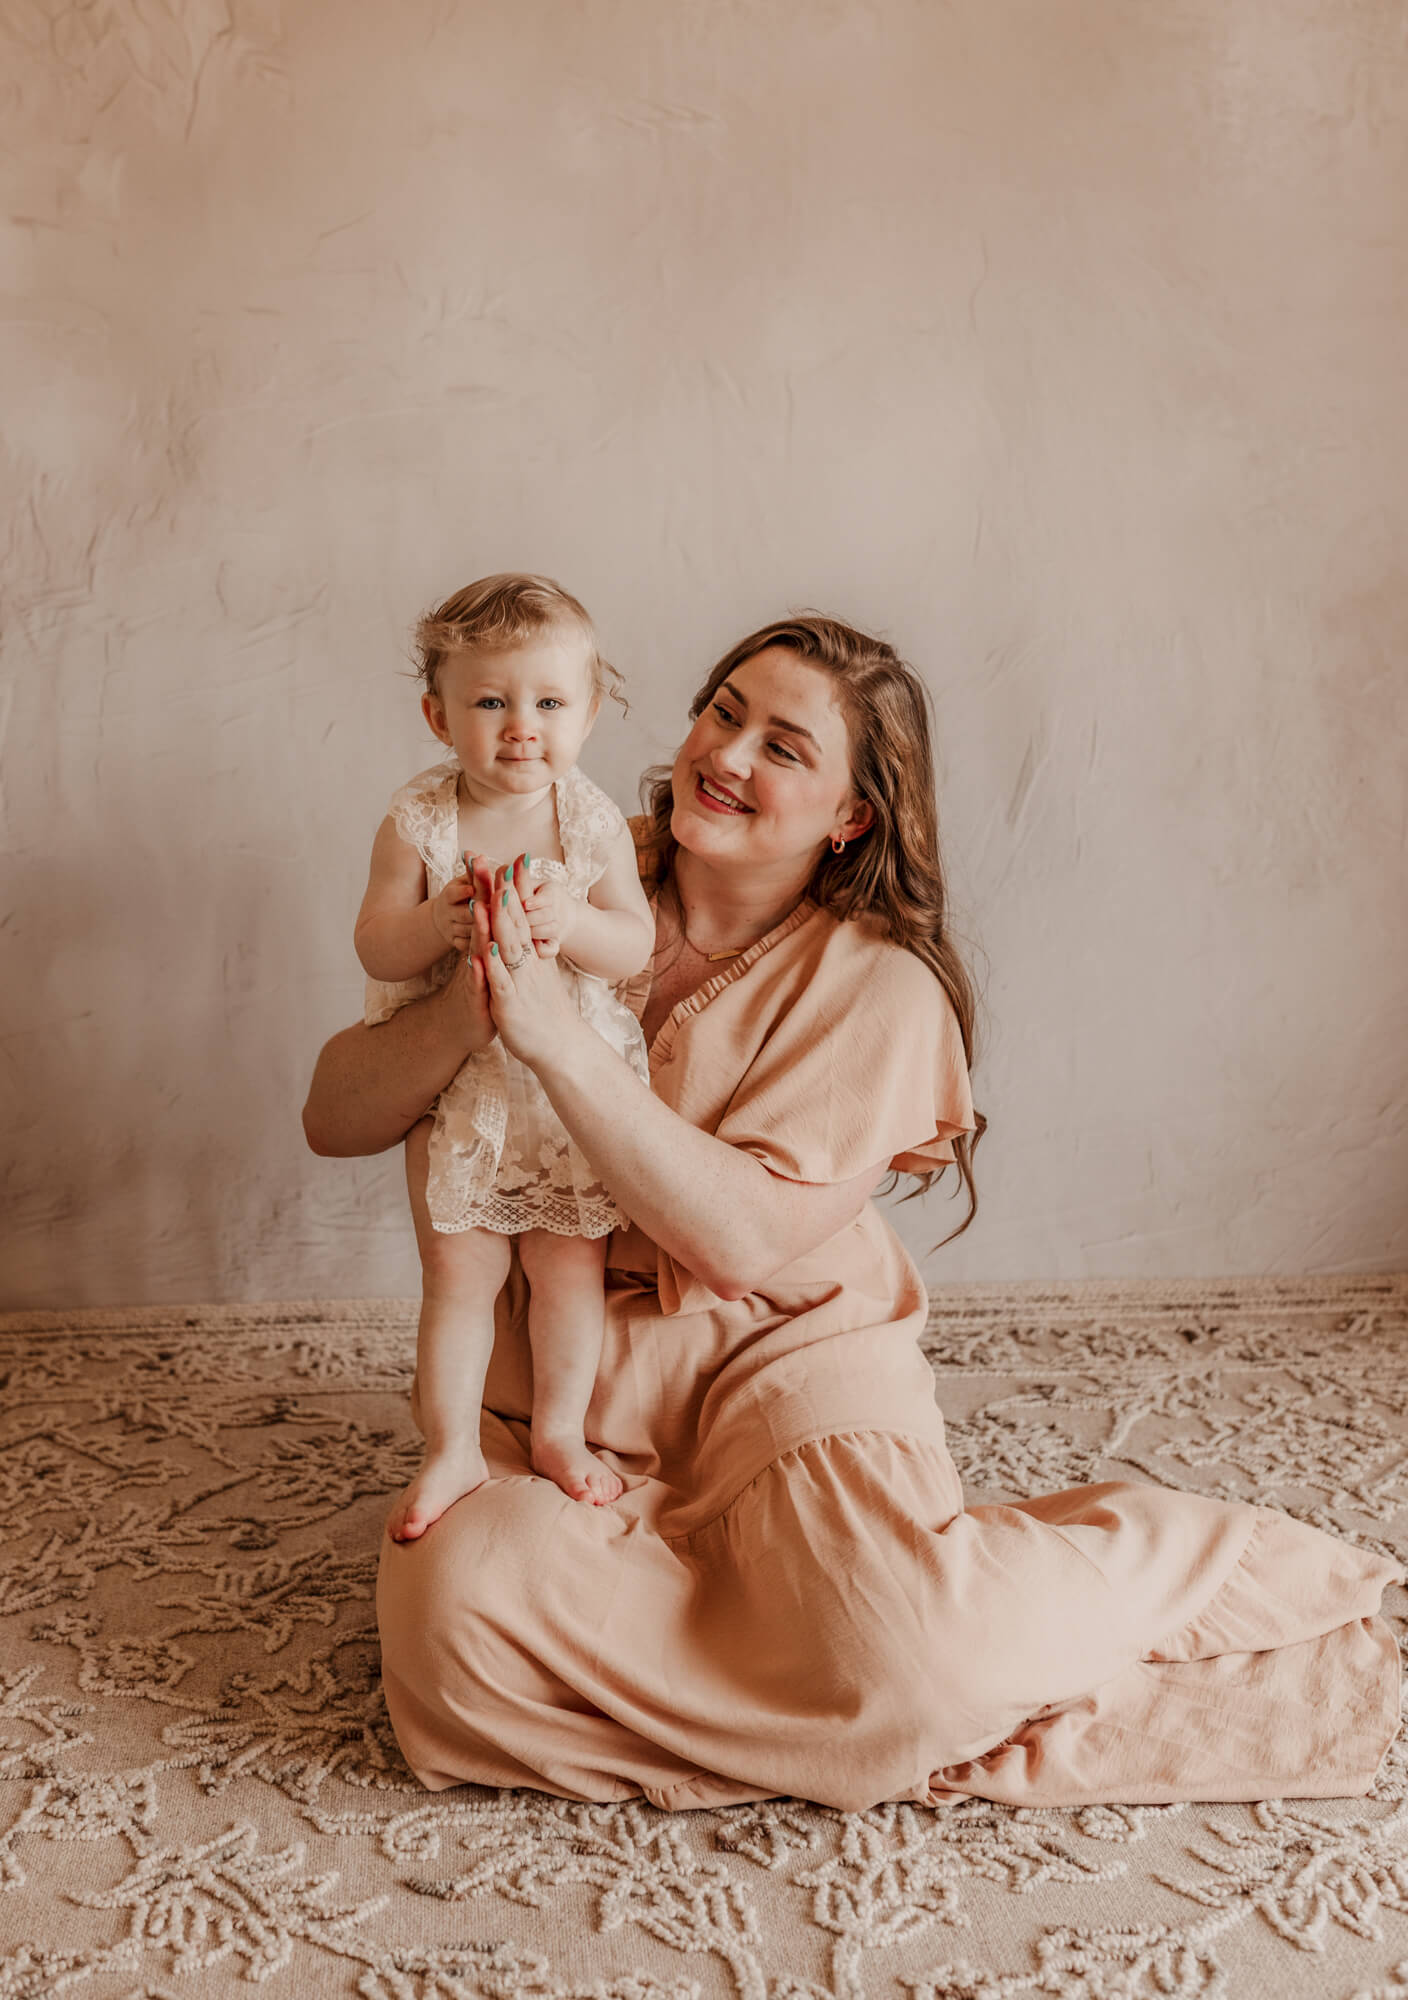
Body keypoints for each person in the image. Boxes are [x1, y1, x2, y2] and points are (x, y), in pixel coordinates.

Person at [304, 613, 1402, 1812]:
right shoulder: (562, 857)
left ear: (849, 816)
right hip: (559, 1367)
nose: (727, 754)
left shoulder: (879, 982)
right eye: (724, 711)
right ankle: (797, 1686)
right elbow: (336, 1113)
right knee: (448, 1657)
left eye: (784, 746)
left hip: (779, 1356)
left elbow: (733, 1242)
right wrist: (472, 1008)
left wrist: (560, 1044)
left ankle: (1131, 1566)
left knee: (910, 1663)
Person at [353, 574, 654, 1542]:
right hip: (464, 1091)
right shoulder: (420, 821)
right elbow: (372, 942)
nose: (521, 726)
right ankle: (451, 1443)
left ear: (589, 712)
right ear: (439, 716)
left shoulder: (589, 819)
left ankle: (562, 1431)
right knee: (460, 1273)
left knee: (569, 1273)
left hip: (565, 1090)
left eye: (548, 702)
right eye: (490, 701)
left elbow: (634, 942)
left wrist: (572, 919)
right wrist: (431, 924)